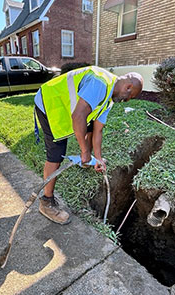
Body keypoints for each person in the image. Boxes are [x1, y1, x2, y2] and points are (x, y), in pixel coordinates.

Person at [34, 66, 143, 225]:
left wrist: (98, 158)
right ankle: (46, 202)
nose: (126, 101)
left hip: (64, 105)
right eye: (129, 97)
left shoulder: (108, 100)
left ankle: (86, 160)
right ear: (128, 87)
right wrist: (85, 151)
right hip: (50, 101)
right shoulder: (99, 83)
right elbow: (78, 116)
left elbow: (97, 130)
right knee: (56, 153)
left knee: (90, 126)